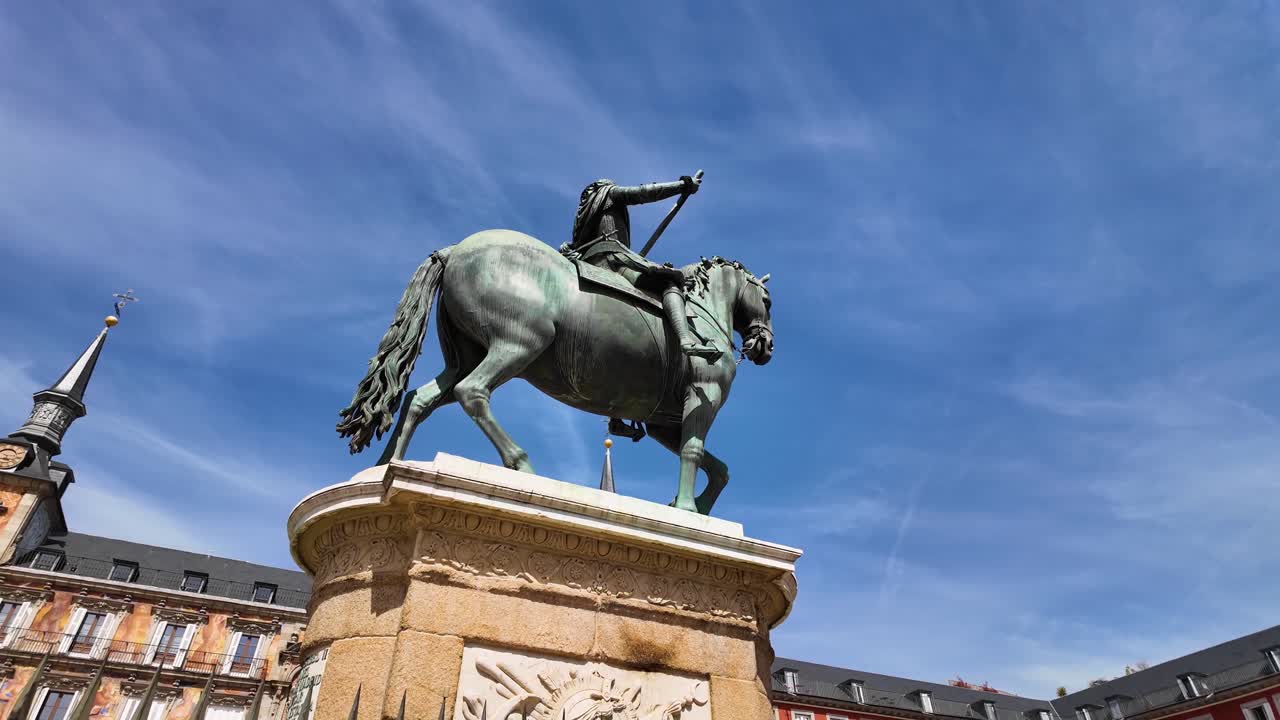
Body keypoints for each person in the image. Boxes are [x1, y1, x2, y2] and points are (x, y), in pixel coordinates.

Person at [563, 175, 720, 360]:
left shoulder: (583, 216)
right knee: (669, 282)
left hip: (591, 261)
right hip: (613, 259)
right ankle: (686, 340)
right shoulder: (609, 194)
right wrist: (682, 185)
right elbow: (644, 193)